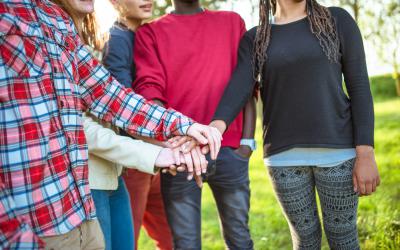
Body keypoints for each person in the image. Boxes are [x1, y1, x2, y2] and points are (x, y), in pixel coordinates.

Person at [0, 0, 221, 249]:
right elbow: (88, 126)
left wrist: (182, 126)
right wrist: (158, 150)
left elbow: (108, 93)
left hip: (82, 210)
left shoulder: (56, 21)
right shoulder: (8, 18)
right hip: (37, 223)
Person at [212, 0, 380, 249]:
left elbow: (360, 88)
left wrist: (365, 151)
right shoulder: (256, 38)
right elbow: (240, 86)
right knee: (304, 241)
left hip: (339, 153)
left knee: (343, 239)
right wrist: (216, 126)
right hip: (283, 159)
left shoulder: (337, 20)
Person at [49, 1, 193, 249]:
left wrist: (175, 137)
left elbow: (118, 100)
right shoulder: (111, 39)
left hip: (117, 172)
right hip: (98, 173)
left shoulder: (103, 38)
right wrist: (162, 147)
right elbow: (103, 112)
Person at [133, 0, 257, 249]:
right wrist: (170, 146)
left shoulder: (232, 23)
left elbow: (247, 84)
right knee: (185, 243)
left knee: (240, 239)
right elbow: (150, 92)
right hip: (181, 157)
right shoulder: (149, 33)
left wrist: (246, 143)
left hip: (230, 152)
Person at [101, 0, 174, 249]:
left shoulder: (146, 35)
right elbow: (122, 100)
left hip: (155, 156)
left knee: (171, 237)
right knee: (127, 240)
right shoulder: (117, 37)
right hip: (134, 159)